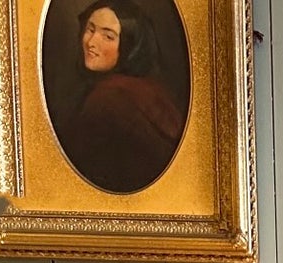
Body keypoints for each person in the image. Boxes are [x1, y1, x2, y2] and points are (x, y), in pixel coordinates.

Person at [55, 3, 187, 195]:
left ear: (129, 47)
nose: (91, 42)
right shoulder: (147, 88)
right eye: (90, 29)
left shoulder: (109, 98)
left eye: (108, 36)